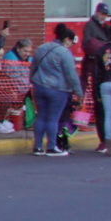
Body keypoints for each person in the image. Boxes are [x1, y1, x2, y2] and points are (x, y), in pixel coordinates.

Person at [29, 25, 80, 156]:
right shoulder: (65, 53)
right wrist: (78, 91)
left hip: (39, 86)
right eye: (71, 42)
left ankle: (38, 147)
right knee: (53, 118)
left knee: (41, 116)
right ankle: (51, 147)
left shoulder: (42, 48)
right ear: (67, 39)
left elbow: (33, 66)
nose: (71, 45)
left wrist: (32, 80)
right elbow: (71, 75)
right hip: (58, 89)